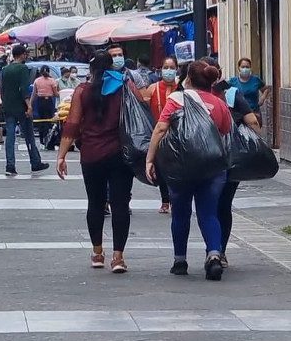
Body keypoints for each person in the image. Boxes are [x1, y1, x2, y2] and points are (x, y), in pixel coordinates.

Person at [145, 59, 233, 281]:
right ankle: (214, 255)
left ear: (189, 79)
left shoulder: (177, 99)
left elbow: (161, 128)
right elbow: (225, 130)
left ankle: (180, 260)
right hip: (212, 166)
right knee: (209, 212)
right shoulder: (219, 103)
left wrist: (150, 159)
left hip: (181, 167)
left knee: (181, 212)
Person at [57, 50, 134, 273]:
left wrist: (61, 155)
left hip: (91, 155)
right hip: (120, 155)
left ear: (91, 69)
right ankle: (118, 258)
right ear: (113, 66)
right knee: (120, 205)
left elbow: (71, 124)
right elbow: (140, 112)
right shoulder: (125, 87)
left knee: (95, 203)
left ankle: (98, 253)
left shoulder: (82, 91)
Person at [205, 57, 261, 269]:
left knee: (207, 206)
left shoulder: (192, 95)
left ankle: (211, 249)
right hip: (230, 158)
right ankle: (221, 250)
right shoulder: (231, 93)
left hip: (202, 159)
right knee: (224, 205)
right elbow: (252, 121)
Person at [0, 44, 49, 176]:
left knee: (10, 137)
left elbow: (2, 90)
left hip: (8, 107)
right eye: (25, 54)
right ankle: (35, 162)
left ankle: (10, 166)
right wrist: (29, 105)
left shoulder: (5, 70)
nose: (26, 56)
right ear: (22, 54)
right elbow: (24, 89)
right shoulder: (23, 69)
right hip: (21, 107)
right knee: (29, 136)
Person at [142, 56, 179, 214]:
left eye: (172, 67)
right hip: (158, 135)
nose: (169, 71)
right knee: (161, 170)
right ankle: (165, 200)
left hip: (178, 137)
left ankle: (176, 199)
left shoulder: (182, 88)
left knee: (177, 170)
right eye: (166, 67)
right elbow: (143, 109)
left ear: (177, 69)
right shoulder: (153, 88)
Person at [31, 65, 59, 144]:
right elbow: (56, 93)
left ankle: (41, 140)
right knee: (49, 121)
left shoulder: (37, 80)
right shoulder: (52, 80)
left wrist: (30, 104)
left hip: (40, 101)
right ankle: (47, 140)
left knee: (41, 121)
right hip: (48, 101)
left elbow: (34, 94)